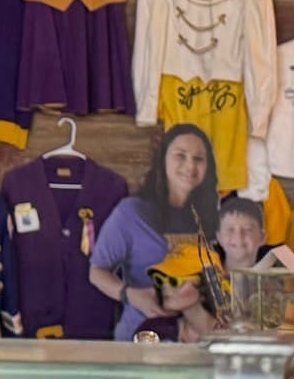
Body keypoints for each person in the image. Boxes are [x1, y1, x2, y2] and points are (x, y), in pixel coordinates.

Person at [88, 124, 221, 341]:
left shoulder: (210, 219)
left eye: (199, 159)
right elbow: (97, 271)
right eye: (181, 156)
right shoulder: (131, 213)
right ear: (163, 160)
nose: (190, 166)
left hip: (198, 341)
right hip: (143, 337)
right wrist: (131, 295)